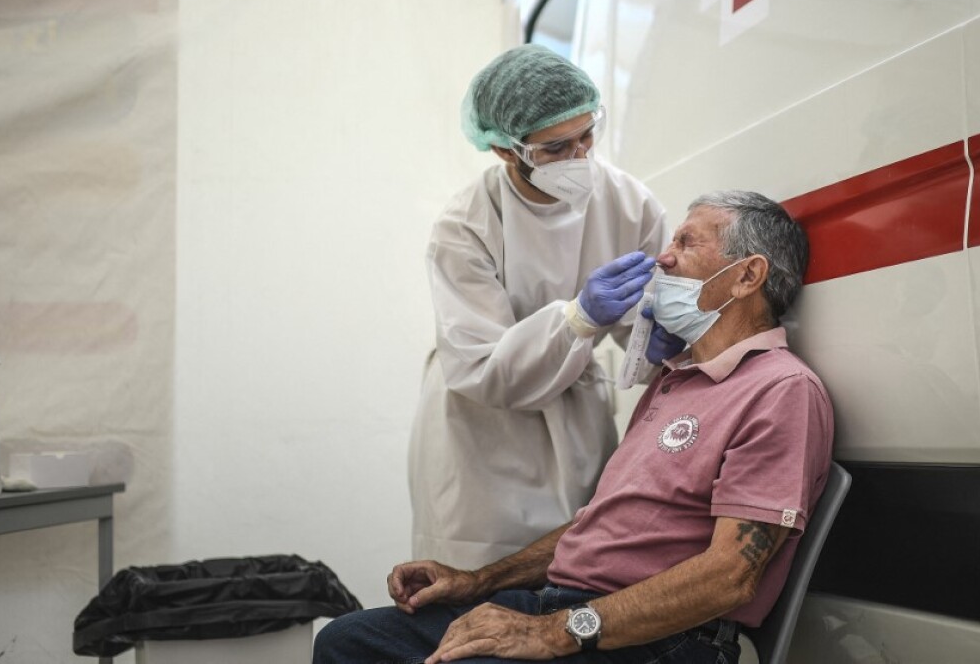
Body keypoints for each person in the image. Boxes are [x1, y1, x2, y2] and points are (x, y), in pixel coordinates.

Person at [319, 190, 833, 664]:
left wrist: (553, 632)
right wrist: (477, 582)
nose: (663, 257)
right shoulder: (674, 380)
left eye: (686, 242)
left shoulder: (780, 389)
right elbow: (598, 529)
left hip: (664, 633)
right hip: (568, 606)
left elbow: (730, 578)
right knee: (347, 641)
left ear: (747, 276)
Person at [410, 44, 674, 570]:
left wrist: (658, 342)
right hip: (481, 438)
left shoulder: (629, 203)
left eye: (587, 135)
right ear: (505, 150)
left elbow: (643, 336)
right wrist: (577, 319)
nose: (578, 157)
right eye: (555, 148)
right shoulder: (464, 227)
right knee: (470, 581)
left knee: (574, 567)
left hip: (575, 421)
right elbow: (484, 369)